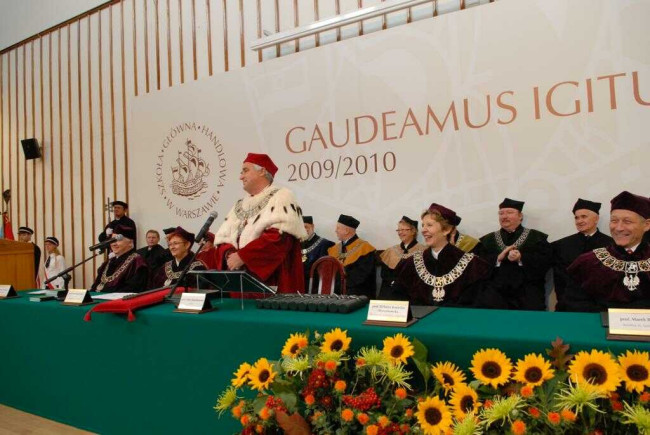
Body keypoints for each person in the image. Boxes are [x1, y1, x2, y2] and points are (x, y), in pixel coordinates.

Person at [211, 153, 307, 292]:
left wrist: (244, 256)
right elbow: (222, 239)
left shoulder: (281, 196)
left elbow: (280, 239)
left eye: (245, 170)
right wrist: (230, 255)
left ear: (262, 171)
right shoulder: (239, 204)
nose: (241, 177)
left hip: (271, 283)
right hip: (240, 283)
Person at [558, 191, 650, 312]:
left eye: (627, 221)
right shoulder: (587, 262)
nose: (619, 228)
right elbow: (573, 303)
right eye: (614, 221)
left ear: (647, 225)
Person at [391, 204, 491, 306]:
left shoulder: (473, 266)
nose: (423, 230)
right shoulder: (409, 264)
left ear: (446, 230)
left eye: (429, 225)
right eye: (423, 225)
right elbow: (398, 301)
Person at [478, 198, 552, 310]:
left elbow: (545, 262)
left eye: (509, 212)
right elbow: (479, 265)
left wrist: (521, 258)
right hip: (496, 295)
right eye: (501, 213)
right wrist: (497, 258)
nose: (504, 216)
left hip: (527, 294)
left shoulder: (537, 238)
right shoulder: (487, 240)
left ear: (520, 216)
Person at [551, 199, 612, 305]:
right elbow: (559, 277)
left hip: (601, 304)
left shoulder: (611, 245)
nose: (579, 221)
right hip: (569, 303)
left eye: (584, 217)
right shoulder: (562, 244)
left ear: (596, 219)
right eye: (576, 218)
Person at [327, 214, 376, 297]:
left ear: (346, 230)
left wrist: (341, 286)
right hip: (336, 293)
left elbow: (360, 276)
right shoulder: (333, 249)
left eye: (338, 228)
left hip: (356, 295)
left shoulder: (365, 248)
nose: (336, 230)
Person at [90, 225, 149, 293]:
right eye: (112, 240)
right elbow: (95, 286)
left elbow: (132, 289)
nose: (114, 244)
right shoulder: (108, 262)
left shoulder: (138, 262)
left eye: (118, 240)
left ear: (130, 243)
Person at [378, 216, 425, 299]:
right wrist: (394, 283)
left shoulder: (424, 251)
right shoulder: (391, 250)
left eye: (403, 230)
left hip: (413, 292)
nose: (400, 232)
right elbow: (385, 274)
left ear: (413, 231)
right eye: (399, 230)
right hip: (392, 292)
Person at [301, 216, 335, 292]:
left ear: (312, 226)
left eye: (306, 227)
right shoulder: (296, 244)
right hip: (299, 286)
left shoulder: (324, 244)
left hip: (315, 288)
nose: (303, 230)